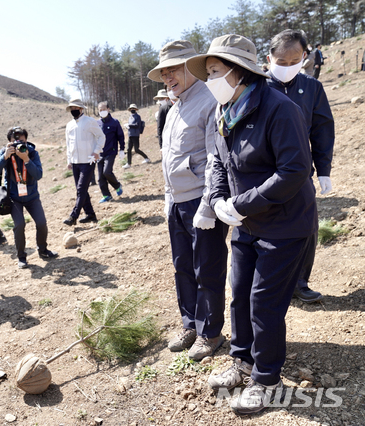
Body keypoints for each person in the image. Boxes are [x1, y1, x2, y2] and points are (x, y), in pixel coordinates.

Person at [186, 34, 317, 414]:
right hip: (246, 222)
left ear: (239, 71)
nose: (209, 80)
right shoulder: (222, 110)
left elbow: (294, 170)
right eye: (207, 72)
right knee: (240, 293)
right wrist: (216, 200)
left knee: (265, 303)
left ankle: (267, 380)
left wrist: (242, 204)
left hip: (285, 224)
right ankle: (242, 361)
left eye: (214, 72)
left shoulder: (279, 108)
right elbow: (216, 160)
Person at [147, 40, 229, 361]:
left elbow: (214, 159)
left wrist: (208, 207)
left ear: (190, 67)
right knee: (183, 266)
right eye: (164, 72)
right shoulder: (173, 107)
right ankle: (190, 324)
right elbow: (170, 158)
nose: (167, 76)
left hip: (200, 202)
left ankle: (210, 333)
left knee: (207, 267)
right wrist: (168, 200)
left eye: (174, 70)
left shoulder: (209, 101)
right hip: (176, 202)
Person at [266, 29, 335, 303]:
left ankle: (300, 282)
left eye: (293, 62)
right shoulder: (258, 87)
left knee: (306, 229)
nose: (286, 68)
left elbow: (321, 130)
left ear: (304, 57)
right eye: (280, 63)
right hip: (264, 174)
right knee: (267, 232)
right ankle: (272, 285)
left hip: (299, 174)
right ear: (269, 58)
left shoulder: (312, 88)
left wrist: (325, 169)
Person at [0, 127, 58, 268]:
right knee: (19, 225)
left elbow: (38, 175)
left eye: (21, 141)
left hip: (32, 196)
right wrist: (4, 157)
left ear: (26, 141)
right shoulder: (5, 153)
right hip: (15, 198)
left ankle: (43, 250)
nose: (18, 144)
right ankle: (21, 256)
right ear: (9, 143)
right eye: (14, 142)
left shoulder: (32, 153)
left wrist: (26, 159)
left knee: (41, 223)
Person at [63, 99, 105, 226]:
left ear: (81, 109)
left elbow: (101, 136)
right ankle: (90, 214)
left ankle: (73, 216)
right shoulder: (69, 125)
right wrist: (69, 160)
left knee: (81, 189)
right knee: (81, 189)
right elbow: (68, 144)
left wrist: (97, 151)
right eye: (71, 108)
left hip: (88, 160)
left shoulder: (90, 121)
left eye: (75, 108)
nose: (73, 110)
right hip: (75, 162)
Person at [96, 101, 125, 203]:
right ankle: (107, 195)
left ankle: (117, 185)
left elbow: (120, 136)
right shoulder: (97, 123)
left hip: (111, 152)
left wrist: (122, 149)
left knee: (107, 171)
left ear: (108, 109)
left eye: (104, 109)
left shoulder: (115, 122)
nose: (102, 111)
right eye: (100, 110)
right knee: (100, 178)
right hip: (99, 153)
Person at [122, 103, 150, 169]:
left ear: (136, 109)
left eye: (133, 108)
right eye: (131, 109)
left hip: (135, 135)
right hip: (130, 134)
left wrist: (129, 125)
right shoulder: (130, 117)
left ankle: (146, 158)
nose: (132, 109)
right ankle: (128, 163)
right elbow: (131, 125)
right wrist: (128, 127)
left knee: (136, 149)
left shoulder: (138, 116)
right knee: (129, 149)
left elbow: (137, 125)